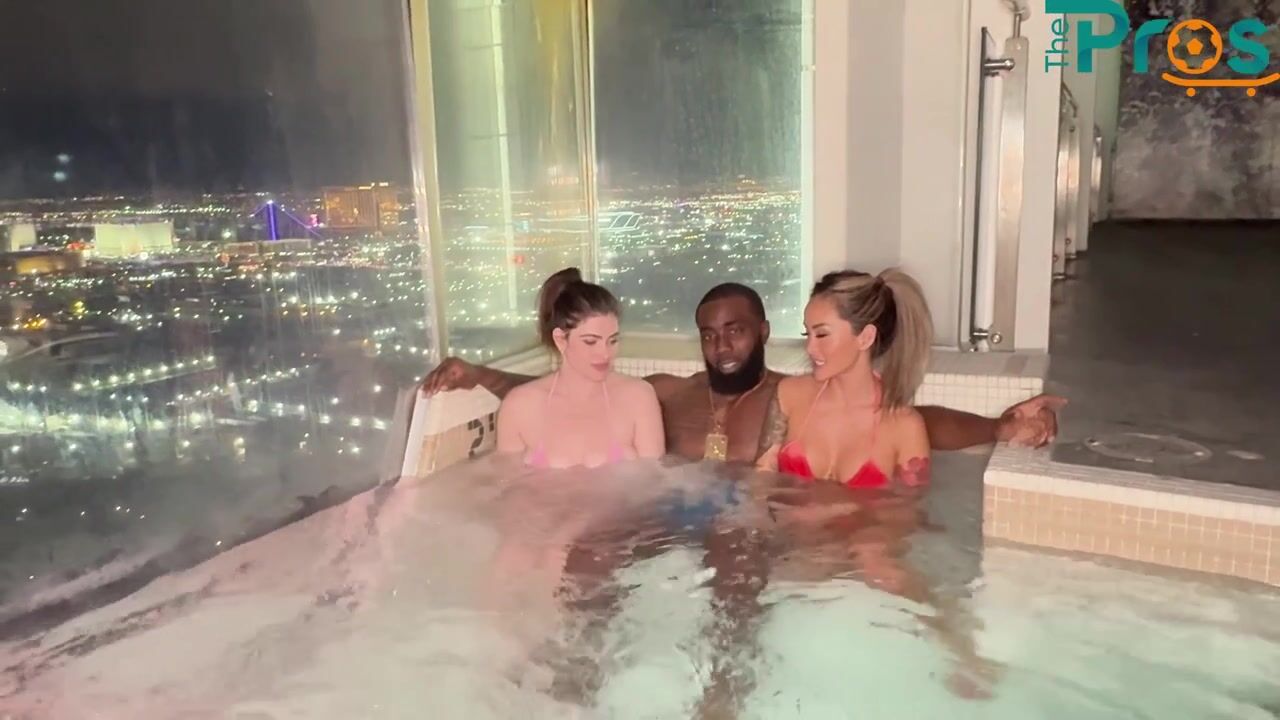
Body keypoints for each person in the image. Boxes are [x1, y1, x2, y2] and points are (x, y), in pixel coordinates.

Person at [424, 281, 1064, 461]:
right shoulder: (664, 394)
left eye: (734, 329)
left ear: (762, 331)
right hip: (671, 526)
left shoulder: (793, 396)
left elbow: (904, 419)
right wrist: (480, 374)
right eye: (708, 333)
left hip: (756, 530)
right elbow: (569, 395)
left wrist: (999, 429)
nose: (721, 344)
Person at [757, 268, 932, 488]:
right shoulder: (789, 395)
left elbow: (910, 506)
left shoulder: (904, 426)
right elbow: (760, 481)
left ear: (865, 337)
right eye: (807, 334)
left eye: (822, 334)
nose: (810, 348)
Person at [495, 267, 665, 468]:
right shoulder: (519, 405)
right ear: (561, 339)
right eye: (590, 342)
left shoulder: (638, 396)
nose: (605, 354)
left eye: (612, 341)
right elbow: (507, 481)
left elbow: (655, 479)